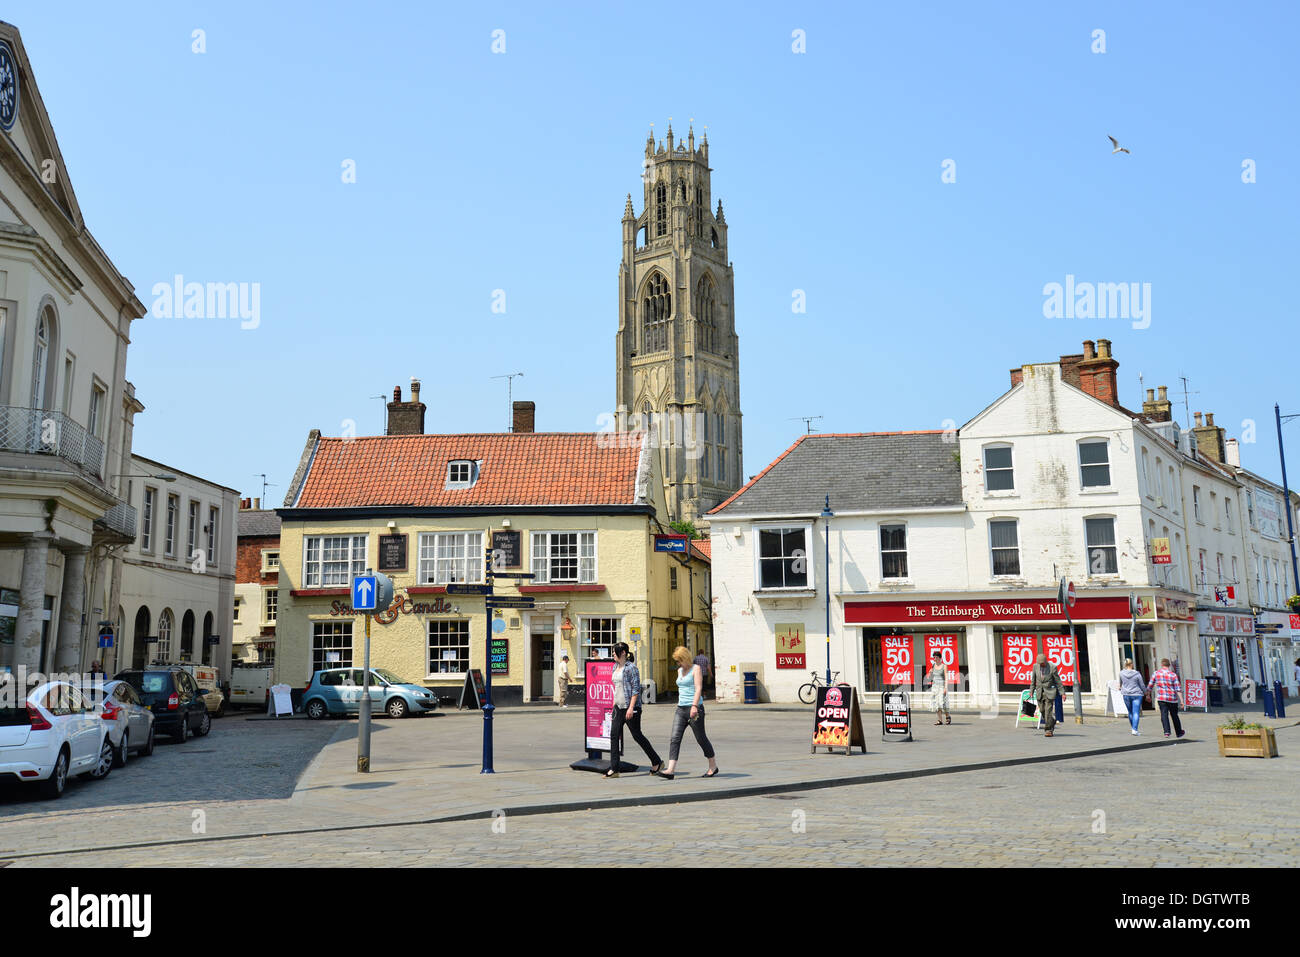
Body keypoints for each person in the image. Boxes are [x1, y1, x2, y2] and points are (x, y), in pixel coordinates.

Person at [660, 645, 718, 779]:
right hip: (681, 709)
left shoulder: (695, 669)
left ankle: (713, 766)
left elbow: (698, 689)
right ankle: (671, 770)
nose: (678, 664)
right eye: (677, 661)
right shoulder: (680, 671)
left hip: (694, 709)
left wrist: (694, 706)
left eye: (680, 660)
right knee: (674, 738)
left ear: (686, 658)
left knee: (701, 738)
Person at [604, 642, 661, 778]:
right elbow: (616, 688)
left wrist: (631, 708)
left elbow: (636, 689)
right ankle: (614, 769)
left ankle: (657, 762)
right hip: (618, 707)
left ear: (623, 652)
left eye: (614, 651)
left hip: (631, 708)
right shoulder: (615, 667)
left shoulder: (632, 668)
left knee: (637, 736)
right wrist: (613, 704)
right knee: (613, 735)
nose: (612, 654)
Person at [1028, 653, 1065, 737]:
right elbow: (1033, 680)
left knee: (1048, 711)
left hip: (1050, 692)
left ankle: (1048, 730)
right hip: (1039, 692)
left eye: (1042, 664)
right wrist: (1031, 690)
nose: (1041, 665)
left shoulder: (1052, 667)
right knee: (1042, 710)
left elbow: (1058, 681)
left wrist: (1062, 693)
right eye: (1040, 664)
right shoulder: (1035, 667)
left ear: (1046, 661)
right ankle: (1052, 721)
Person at [1149, 658, 1185, 739]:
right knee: (1174, 715)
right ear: (1169, 665)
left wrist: (1148, 694)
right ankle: (1179, 732)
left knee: (1164, 715)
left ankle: (1167, 732)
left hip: (1162, 698)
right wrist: (1182, 701)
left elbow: (1150, 685)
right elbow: (1178, 689)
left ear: (1162, 665)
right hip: (1172, 699)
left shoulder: (1156, 673)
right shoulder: (1173, 675)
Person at [1118, 658, 1147, 735]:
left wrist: (1120, 687)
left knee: (1130, 712)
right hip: (1137, 694)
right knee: (1136, 712)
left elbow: (1120, 684)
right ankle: (1134, 729)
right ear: (1131, 664)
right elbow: (1142, 685)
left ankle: (1133, 728)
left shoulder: (1121, 673)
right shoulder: (1137, 674)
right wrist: (1146, 692)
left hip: (1126, 695)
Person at [926, 652, 950, 725]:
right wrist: (930, 673)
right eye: (934, 657)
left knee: (943, 703)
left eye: (936, 657)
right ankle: (939, 720)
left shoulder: (944, 666)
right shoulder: (933, 665)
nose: (934, 659)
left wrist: (946, 688)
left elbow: (946, 677)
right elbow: (929, 678)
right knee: (936, 704)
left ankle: (948, 716)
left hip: (942, 686)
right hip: (935, 687)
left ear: (940, 658)